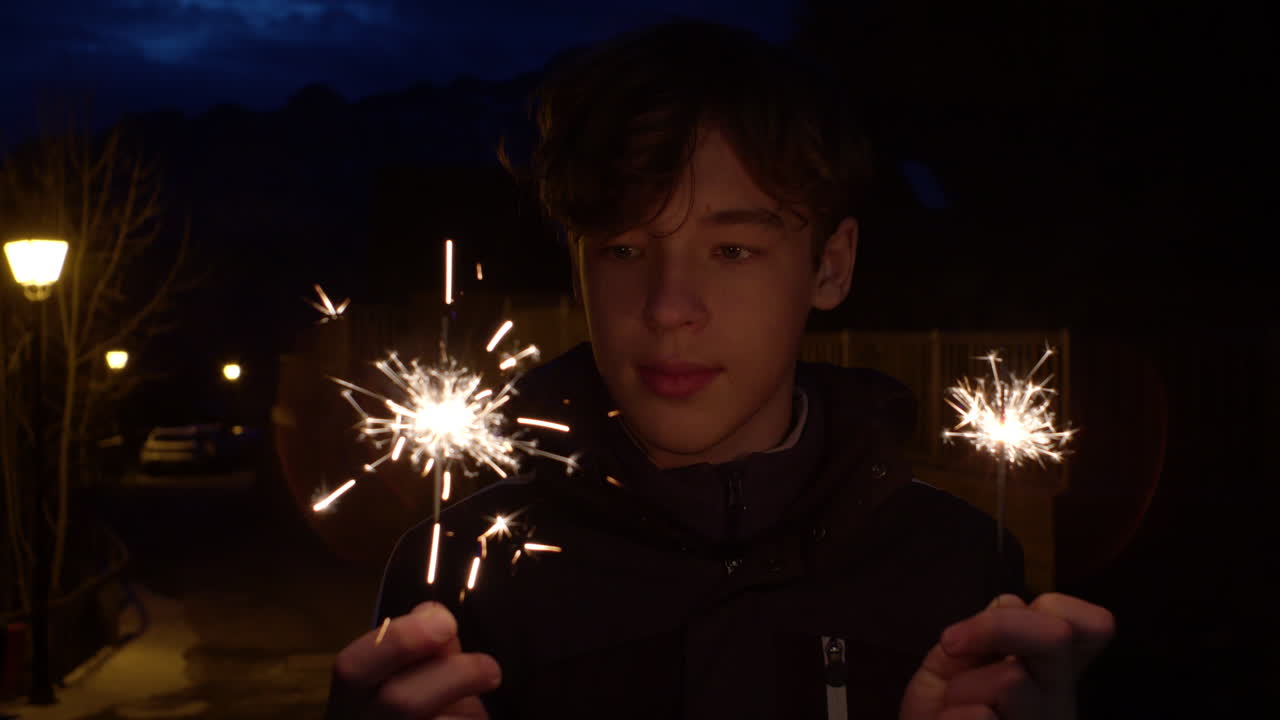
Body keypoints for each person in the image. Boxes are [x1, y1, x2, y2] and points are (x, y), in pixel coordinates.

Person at [325, 19, 1114, 719]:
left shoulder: (959, 567)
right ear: (577, 269)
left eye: (732, 249)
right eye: (625, 250)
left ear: (830, 268)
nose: (669, 306)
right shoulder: (461, 568)